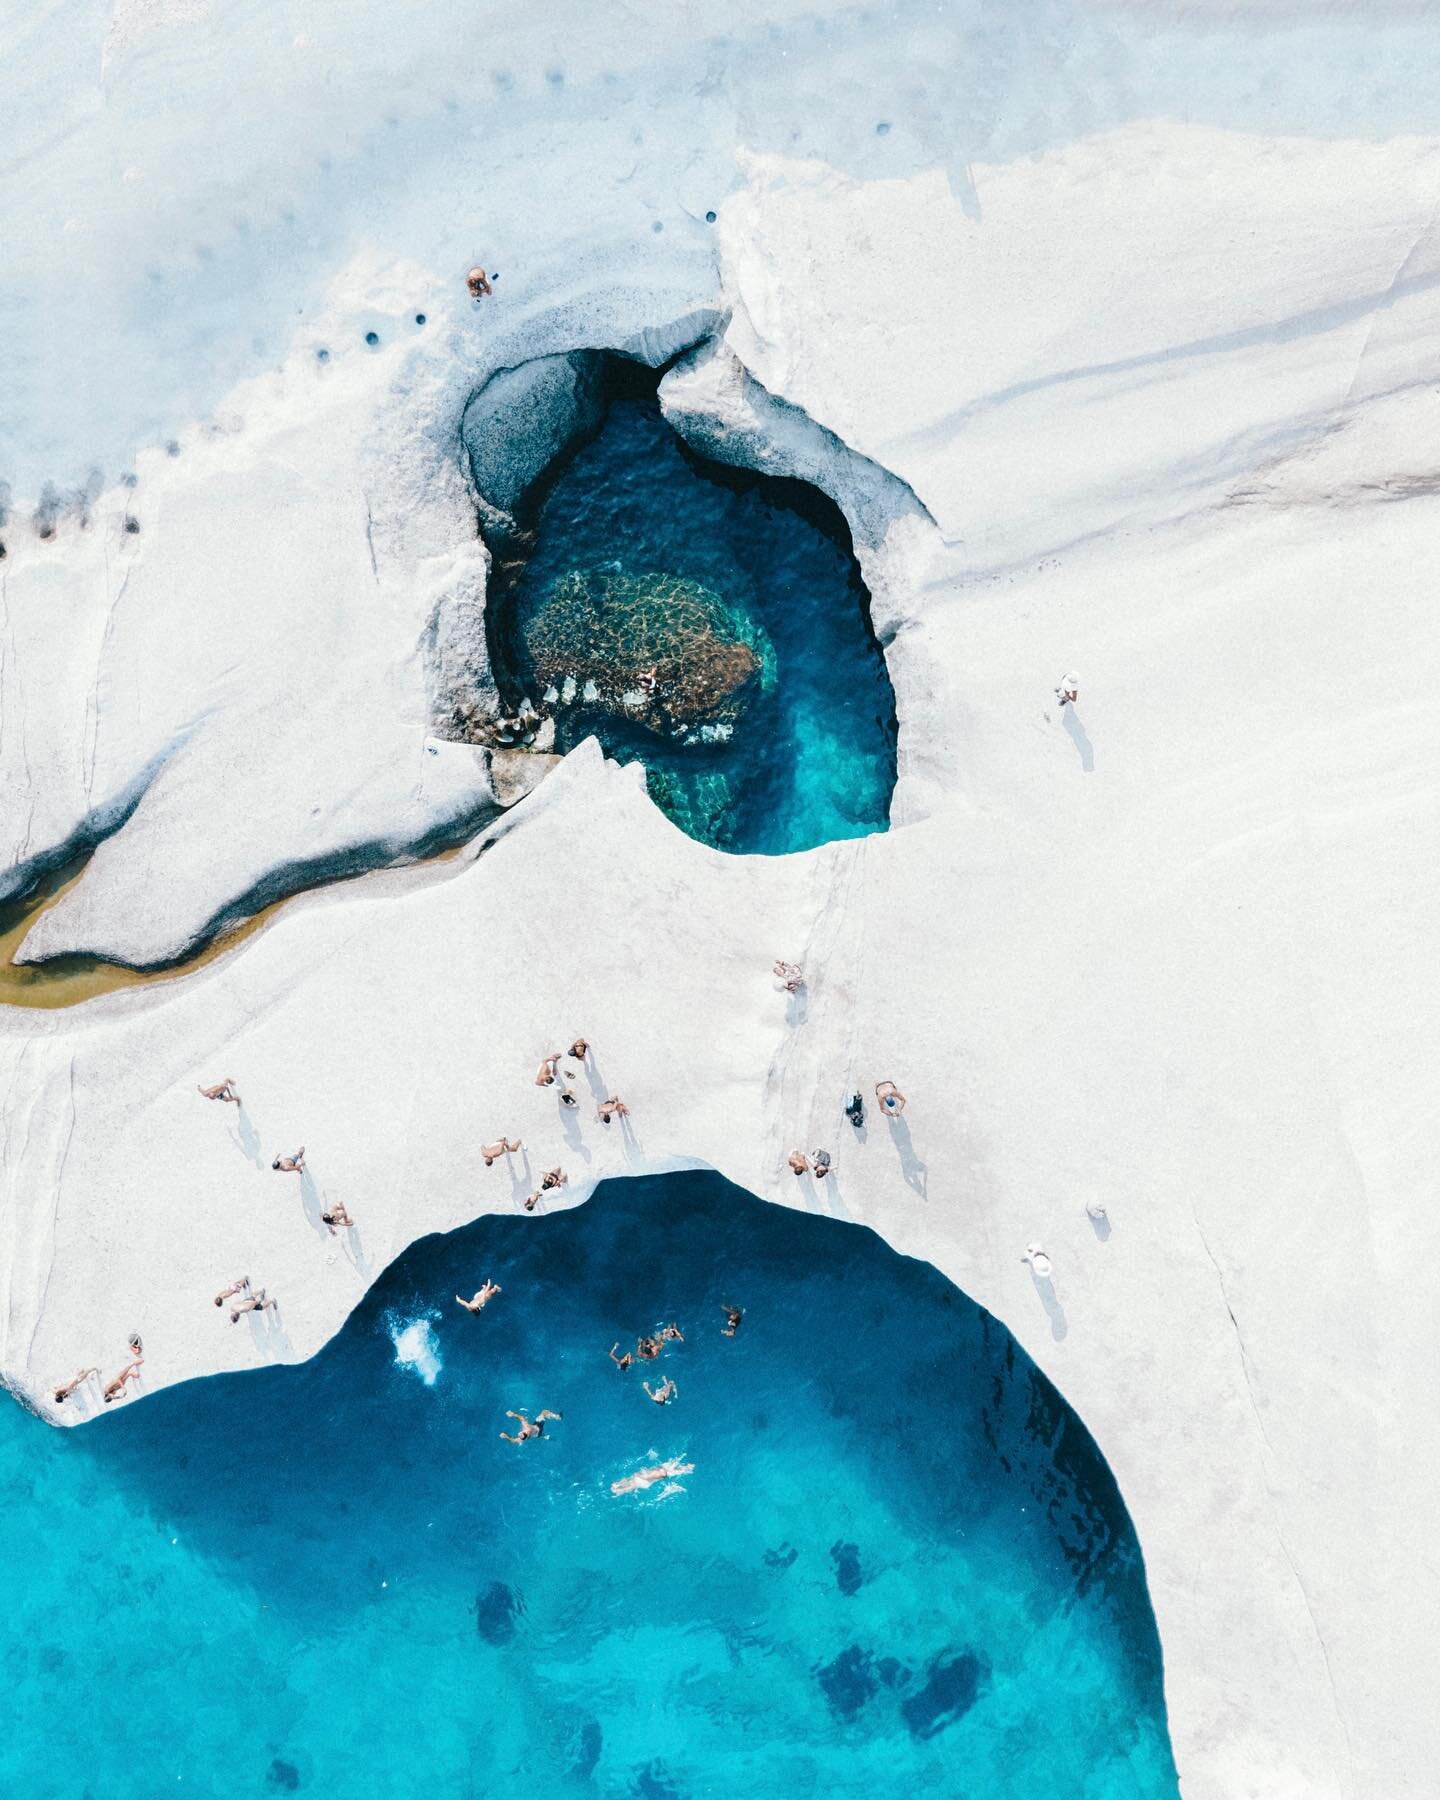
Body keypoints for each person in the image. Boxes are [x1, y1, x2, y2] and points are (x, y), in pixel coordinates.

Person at [611, 1456, 694, 1497]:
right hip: (643, 1478)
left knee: (632, 1483)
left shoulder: (664, 1472)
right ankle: (618, 1487)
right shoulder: (663, 1468)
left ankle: (618, 1490)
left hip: (643, 1480)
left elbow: (676, 1471)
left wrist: (687, 1468)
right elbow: (672, 1464)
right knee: (631, 1480)